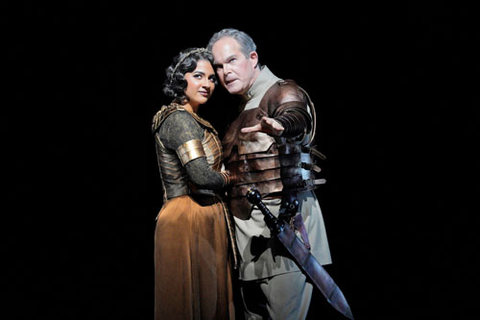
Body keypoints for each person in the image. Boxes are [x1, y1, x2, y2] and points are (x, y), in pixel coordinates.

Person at [207, 28, 332, 319]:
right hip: (249, 246)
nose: (225, 72)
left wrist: (282, 125)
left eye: (232, 61)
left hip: (285, 239)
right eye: (219, 66)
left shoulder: (282, 91)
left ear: (253, 58)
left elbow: (296, 117)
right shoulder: (240, 110)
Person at [152, 47, 237, 319]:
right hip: (188, 215)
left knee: (208, 299)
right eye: (198, 75)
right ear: (181, 79)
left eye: (212, 78)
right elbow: (201, 176)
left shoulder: (190, 118)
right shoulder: (179, 120)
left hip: (202, 213)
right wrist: (231, 176)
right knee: (188, 301)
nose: (207, 84)